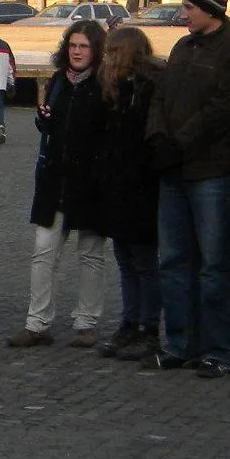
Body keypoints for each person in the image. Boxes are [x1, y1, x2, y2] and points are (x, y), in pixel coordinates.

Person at [144, 0, 230, 377]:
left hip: (212, 171)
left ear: (211, 9)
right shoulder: (183, 46)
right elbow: (160, 96)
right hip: (174, 172)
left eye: (189, 7)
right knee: (174, 261)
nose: (183, 13)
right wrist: (157, 137)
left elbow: (223, 112)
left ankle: (218, 348)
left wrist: (179, 143)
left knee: (214, 265)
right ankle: (180, 343)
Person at [9, 20, 110, 348]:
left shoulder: (106, 85)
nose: (77, 52)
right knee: (43, 251)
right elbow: (51, 128)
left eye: (84, 46)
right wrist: (44, 120)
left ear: (96, 50)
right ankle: (37, 322)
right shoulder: (58, 81)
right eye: (73, 45)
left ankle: (86, 322)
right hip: (55, 178)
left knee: (90, 254)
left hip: (91, 181)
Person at [94, 26, 164, 360]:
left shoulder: (147, 89)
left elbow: (147, 141)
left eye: (113, 53)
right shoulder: (115, 91)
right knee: (125, 259)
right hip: (119, 185)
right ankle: (130, 321)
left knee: (144, 261)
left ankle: (148, 328)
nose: (108, 60)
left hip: (141, 187)